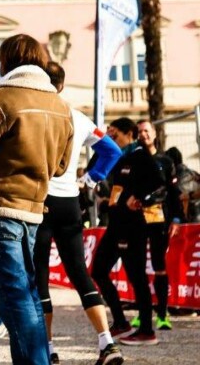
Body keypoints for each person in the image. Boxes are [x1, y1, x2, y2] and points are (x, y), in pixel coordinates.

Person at [0, 35, 74, 365]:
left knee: (14, 300)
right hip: (34, 210)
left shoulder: (0, 99)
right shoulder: (61, 107)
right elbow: (62, 166)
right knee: (28, 296)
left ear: (7, 61)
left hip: (0, 208)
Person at [32, 62, 124, 365]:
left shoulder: (34, 112)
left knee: (40, 278)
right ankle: (107, 343)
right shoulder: (78, 117)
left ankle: (48, 348)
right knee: (81, 275)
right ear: (61, 85)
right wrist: (89, 179)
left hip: (41, 201)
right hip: (70, 202)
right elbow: (113, 151)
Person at [91, 117, 166, 346]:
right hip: (115, 225)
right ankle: (121, 321)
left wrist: (139, 197)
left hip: (133, 226)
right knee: (99, 271)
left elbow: (158, 181)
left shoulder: (140, 155)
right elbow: (98, 171)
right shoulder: (118, 157)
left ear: (129, 133)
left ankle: (146, 330)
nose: (112, 136)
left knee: (137, 278)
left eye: (115, 133)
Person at [135, 120, 181, 332]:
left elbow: (174, 193)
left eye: (146, 130)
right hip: (136, 220)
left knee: (158, 265)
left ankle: (162, 314)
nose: (143, 134)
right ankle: (141, 313)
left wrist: (177, 219)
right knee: (136, 266)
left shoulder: (166, 160)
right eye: (140, 131)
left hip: (160, 220)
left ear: (154, 134)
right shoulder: (133, 159)